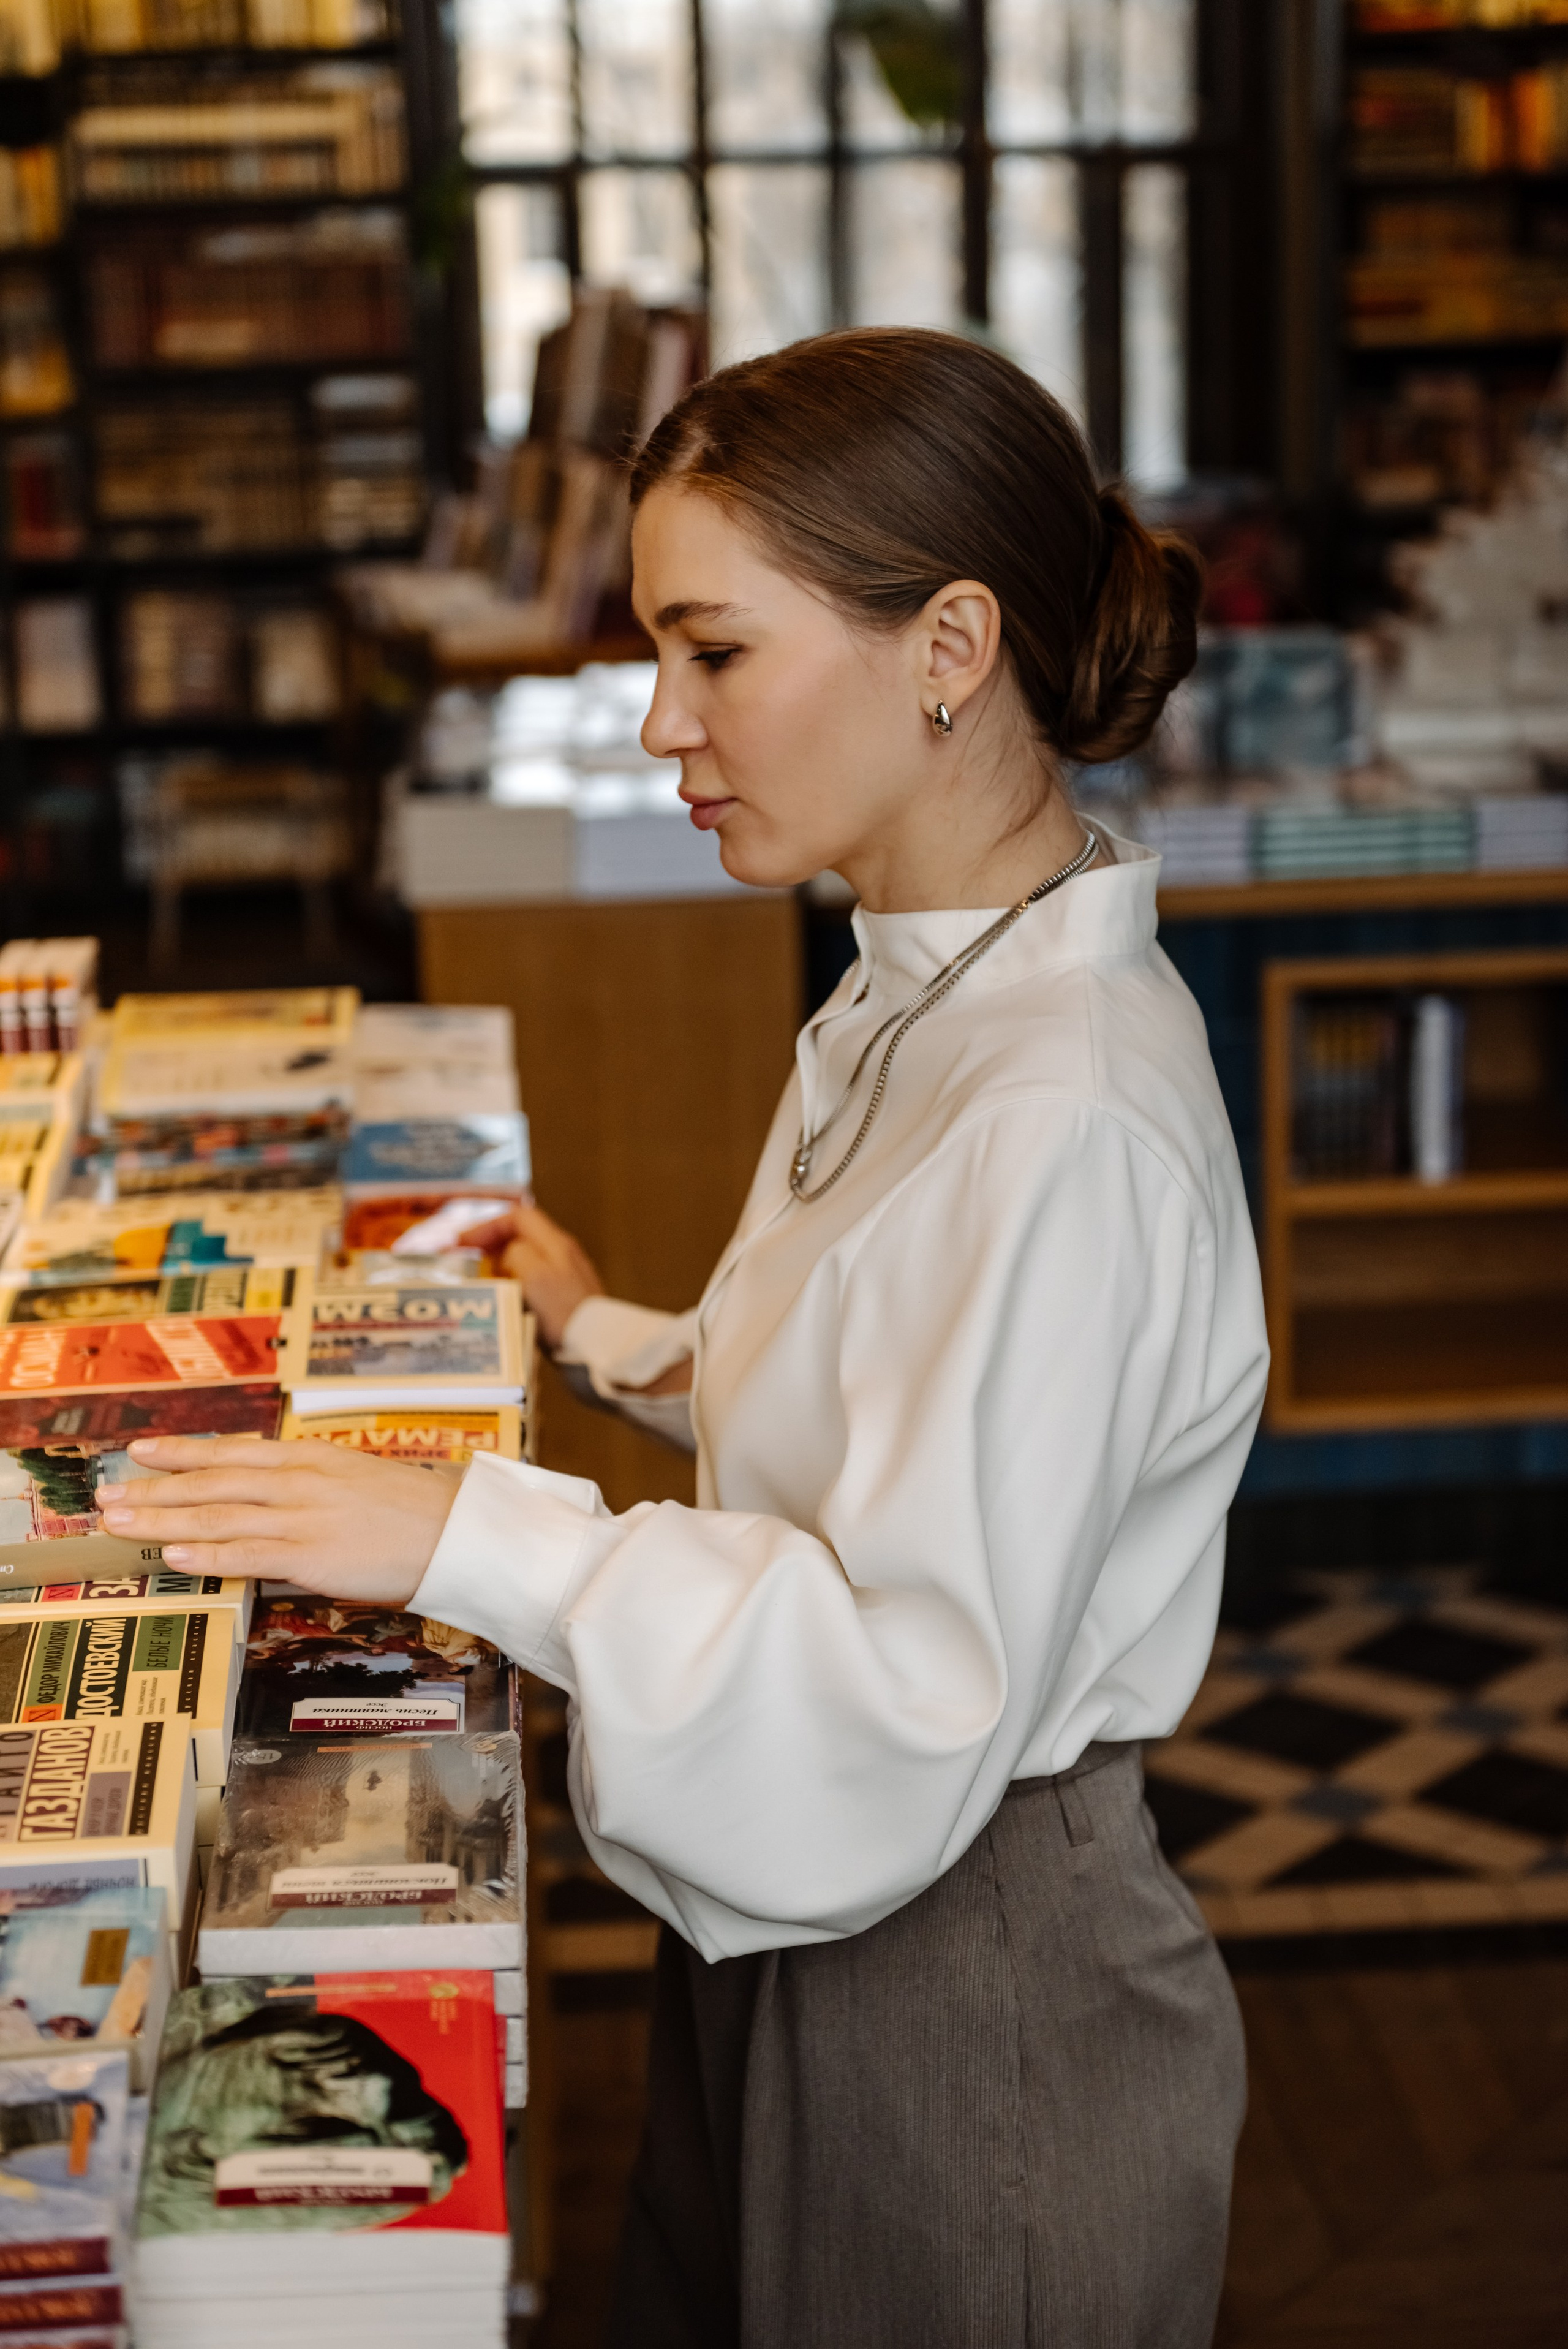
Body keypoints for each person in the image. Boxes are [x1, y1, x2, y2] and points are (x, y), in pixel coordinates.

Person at [97, 328, 1270, 2349]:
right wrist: (609, 1331)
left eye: (714, 651)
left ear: (950, 645)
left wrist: (470, 1531)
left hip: (969, 1986)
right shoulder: (935, 980)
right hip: (830, 1917)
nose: (662, 720)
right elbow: (897, 1381)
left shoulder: (1059, 1107)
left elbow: (911, 1676)